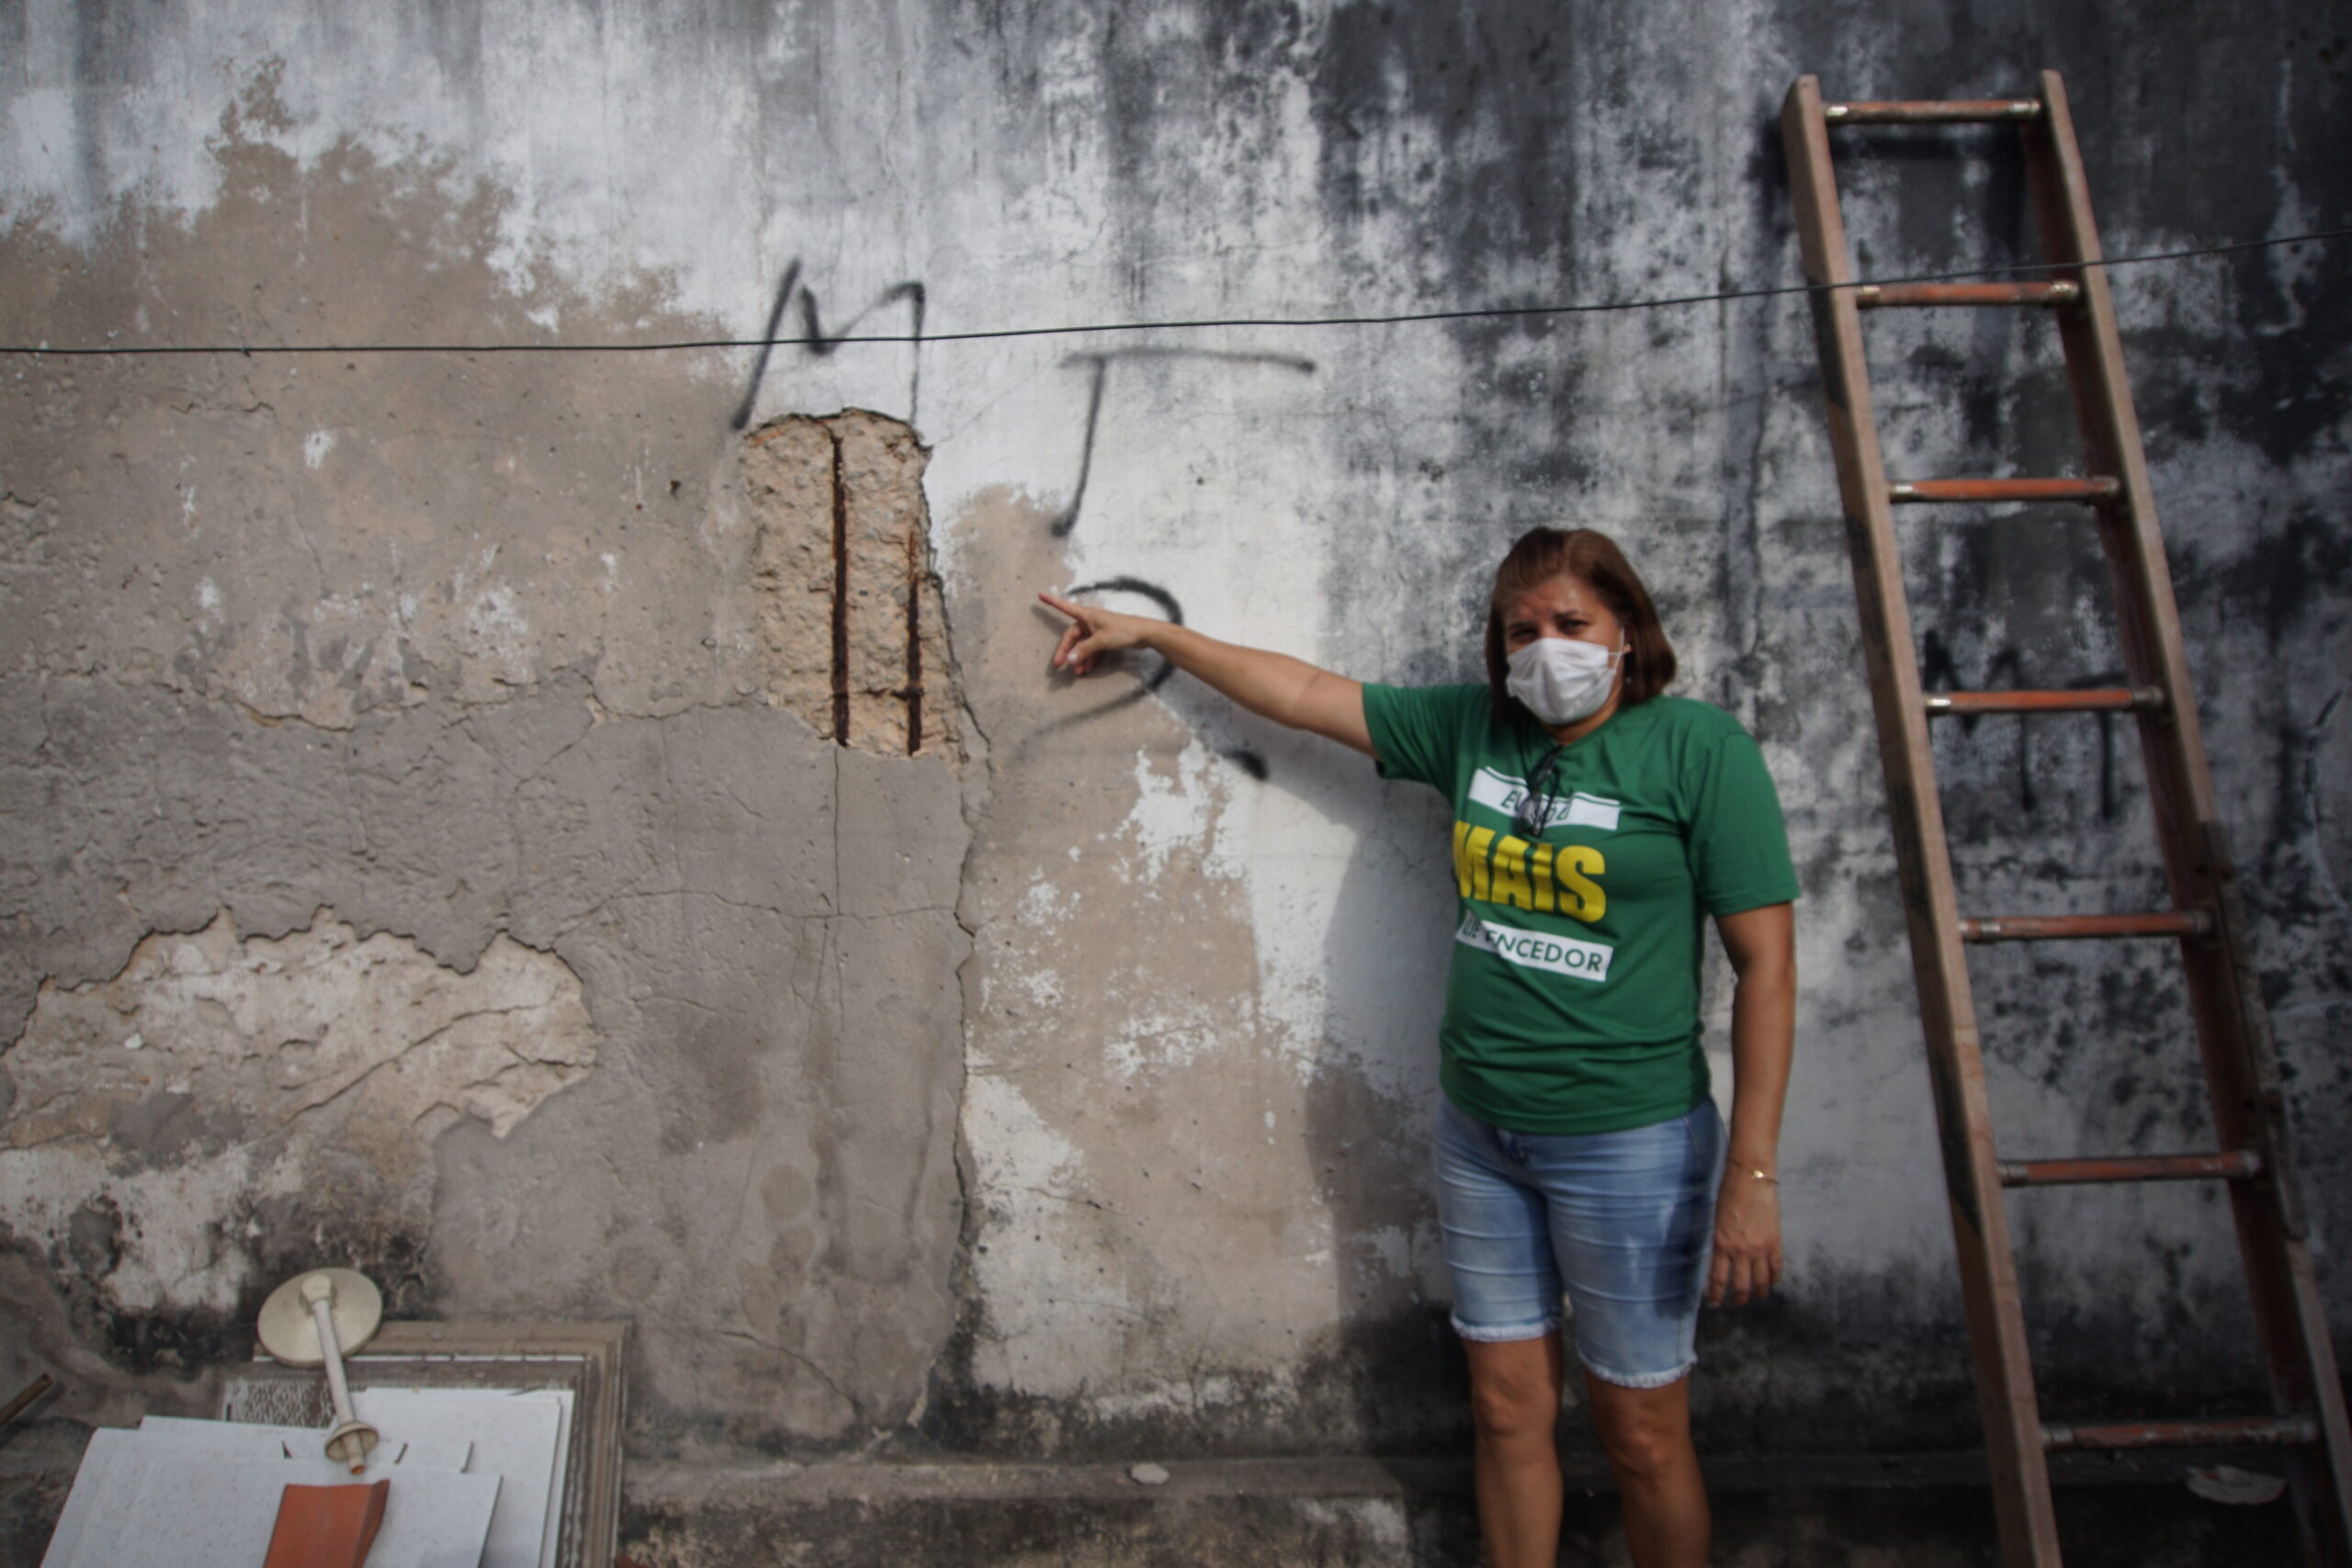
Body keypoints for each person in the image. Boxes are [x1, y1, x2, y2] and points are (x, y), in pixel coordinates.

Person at [1040, 525, 1797, 1568]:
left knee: (1641, 1435)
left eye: (1572, 624)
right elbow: (1301, 693)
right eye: (1520, 630)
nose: (1546, 649)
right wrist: (1154, 635)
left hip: (1629, 1146)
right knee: (1502, 1409)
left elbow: (1767, 966)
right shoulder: (1472, 731)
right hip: (1481, 1134)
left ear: (1626, 630)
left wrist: (1753, 1171)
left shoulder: (1698, 752)